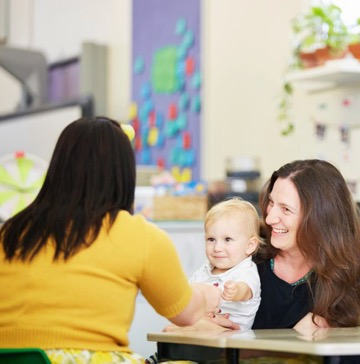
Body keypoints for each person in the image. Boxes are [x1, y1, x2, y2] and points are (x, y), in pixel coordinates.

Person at [0, 117, 221, 363]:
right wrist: (205, 295)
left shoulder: (9, 232)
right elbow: (186, 315)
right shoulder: (138, 234)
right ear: (123, 173)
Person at [199, 159, 360, 331]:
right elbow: (183, 325)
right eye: (271, 203)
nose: (270, 218)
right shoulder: (244, 251)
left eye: (286, 209)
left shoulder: (345, 274)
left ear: (320, 218)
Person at [189, 197, 262, 330]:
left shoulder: (246, 270)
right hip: (203, 328)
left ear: (250, 245)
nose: (217, 248)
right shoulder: (205, 269)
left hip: (233, 336)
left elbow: (246, 290)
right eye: (211, 239)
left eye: (227, 239)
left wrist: (236, 291)